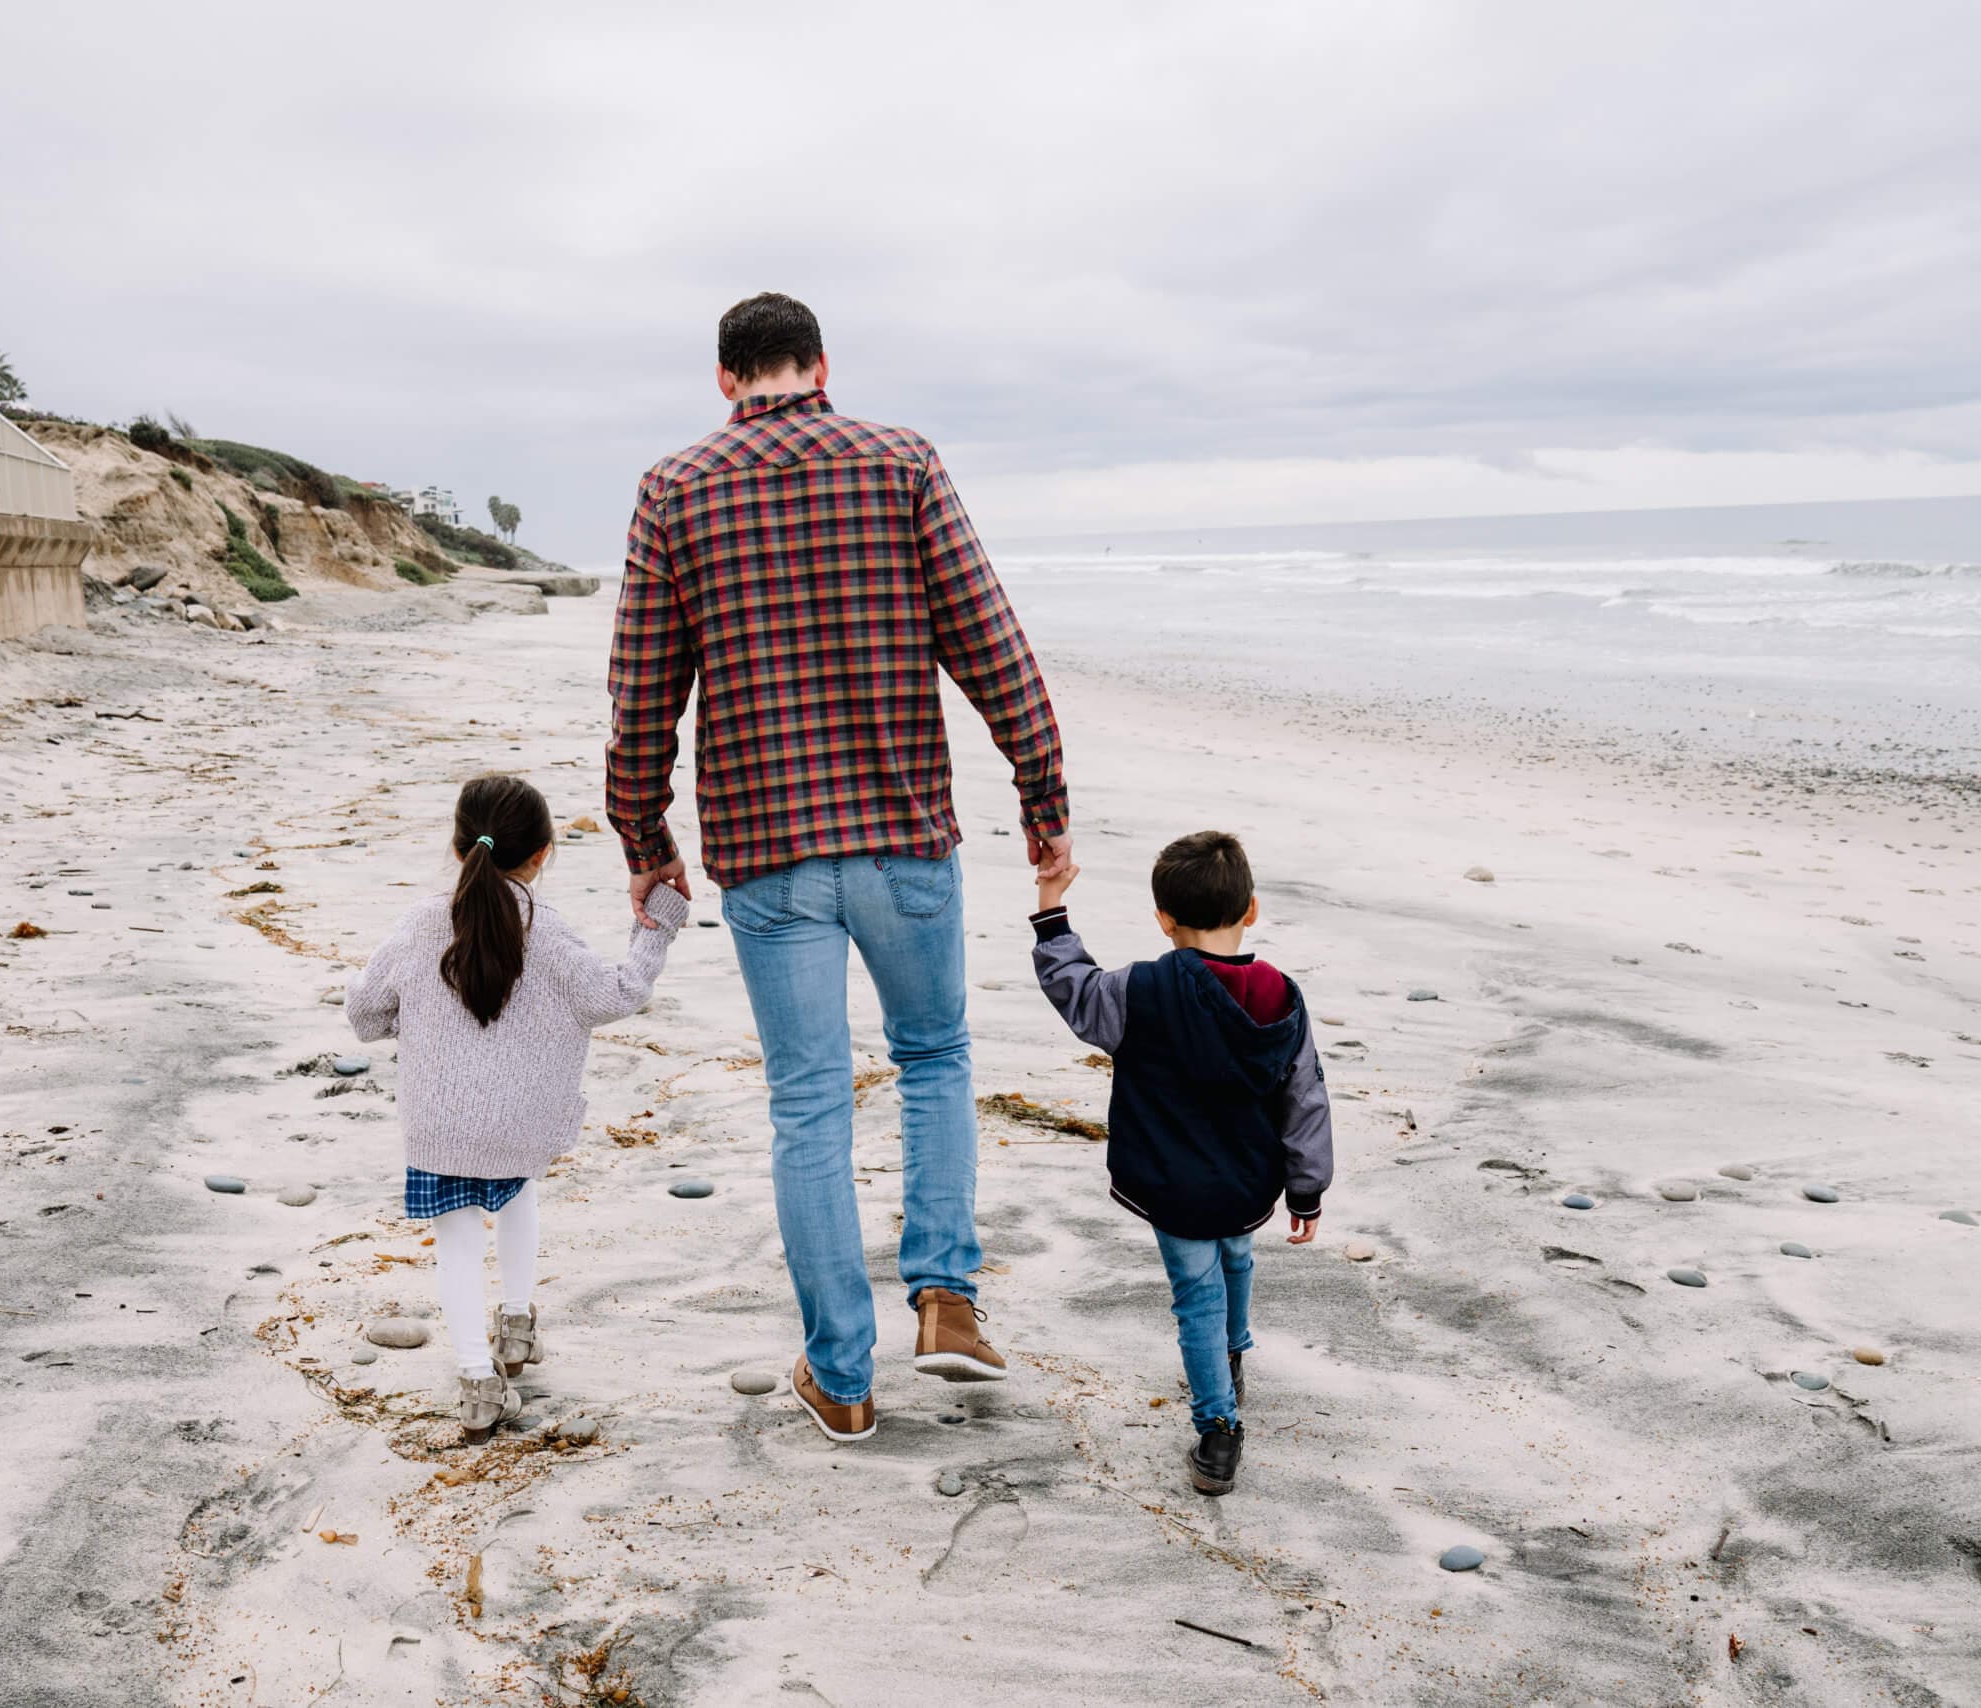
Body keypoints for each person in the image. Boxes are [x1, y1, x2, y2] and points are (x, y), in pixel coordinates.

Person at [606, 291, 1072, 1443]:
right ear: (820, 365)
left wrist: (644, 840)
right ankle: (946, 1298)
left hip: (766, 850)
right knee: (932, 1054)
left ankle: (843, 1376)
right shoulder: (901, 460)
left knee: (809, 1101)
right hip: (904, 831)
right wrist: (1042, 794)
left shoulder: (674, 489)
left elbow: (641, 695)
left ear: (724, 380)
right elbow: (988, 639)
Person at [347, 773, 687, 1438]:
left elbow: (364, 1014)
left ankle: (478, 1383)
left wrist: (418, 1026)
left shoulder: (421, 924)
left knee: (457, 1244)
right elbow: (616, 995)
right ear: (542, 853)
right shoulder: (549, 932)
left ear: (456, 846)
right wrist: (659, 927)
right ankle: (518, 1325)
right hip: (522, 1122)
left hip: (440, 1125)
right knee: (516, 1187)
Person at [1027, 830, 1332, 1494]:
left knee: (1198, 1296)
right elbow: (1305, 1095)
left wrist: (1052, 908)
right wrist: (1307, 1190)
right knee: (1237, 1258)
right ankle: (1232, 1355)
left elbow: (1074, 991)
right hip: (1248, 1181)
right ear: (1251, 909)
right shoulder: (1280, 995)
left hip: (1172, 1184)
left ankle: (1218, 1428)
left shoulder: (1141, 990)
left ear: (1163, 919)